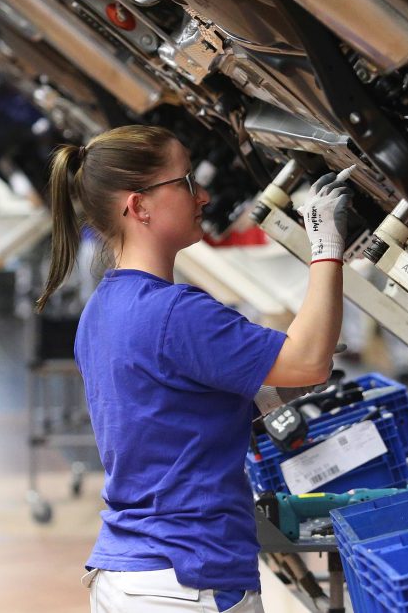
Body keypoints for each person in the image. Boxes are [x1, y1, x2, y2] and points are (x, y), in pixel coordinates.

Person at [36, 125, 351, 613]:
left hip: (128, 575)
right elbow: (309, 358)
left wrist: (263, 397)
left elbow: (162, 417)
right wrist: (326, 246)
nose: (202, 195)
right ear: (139, 206)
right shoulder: (177, 313)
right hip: (187, 582)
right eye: (185, 183)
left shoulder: (100, 312)